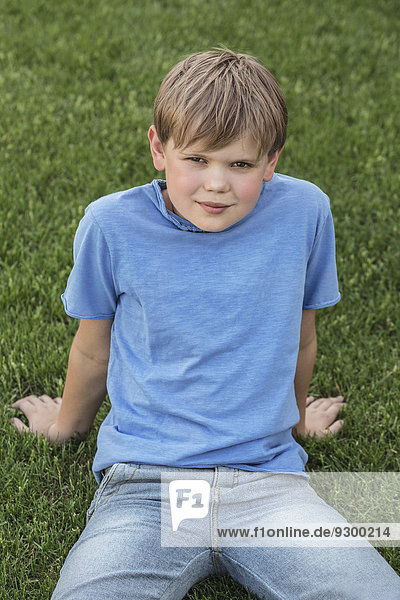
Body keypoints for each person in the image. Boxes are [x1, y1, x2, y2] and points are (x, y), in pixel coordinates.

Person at [11, 48, 400, 599]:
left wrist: (293, 421)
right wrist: (66, 427)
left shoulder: (305, 212)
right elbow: (94, 350)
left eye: (240, 165)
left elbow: (300, 334)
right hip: (148, 487)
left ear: (271, 161)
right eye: (197, 159)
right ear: (158, 148)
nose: (216, 183)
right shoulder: (111, 225)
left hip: (270, 485)